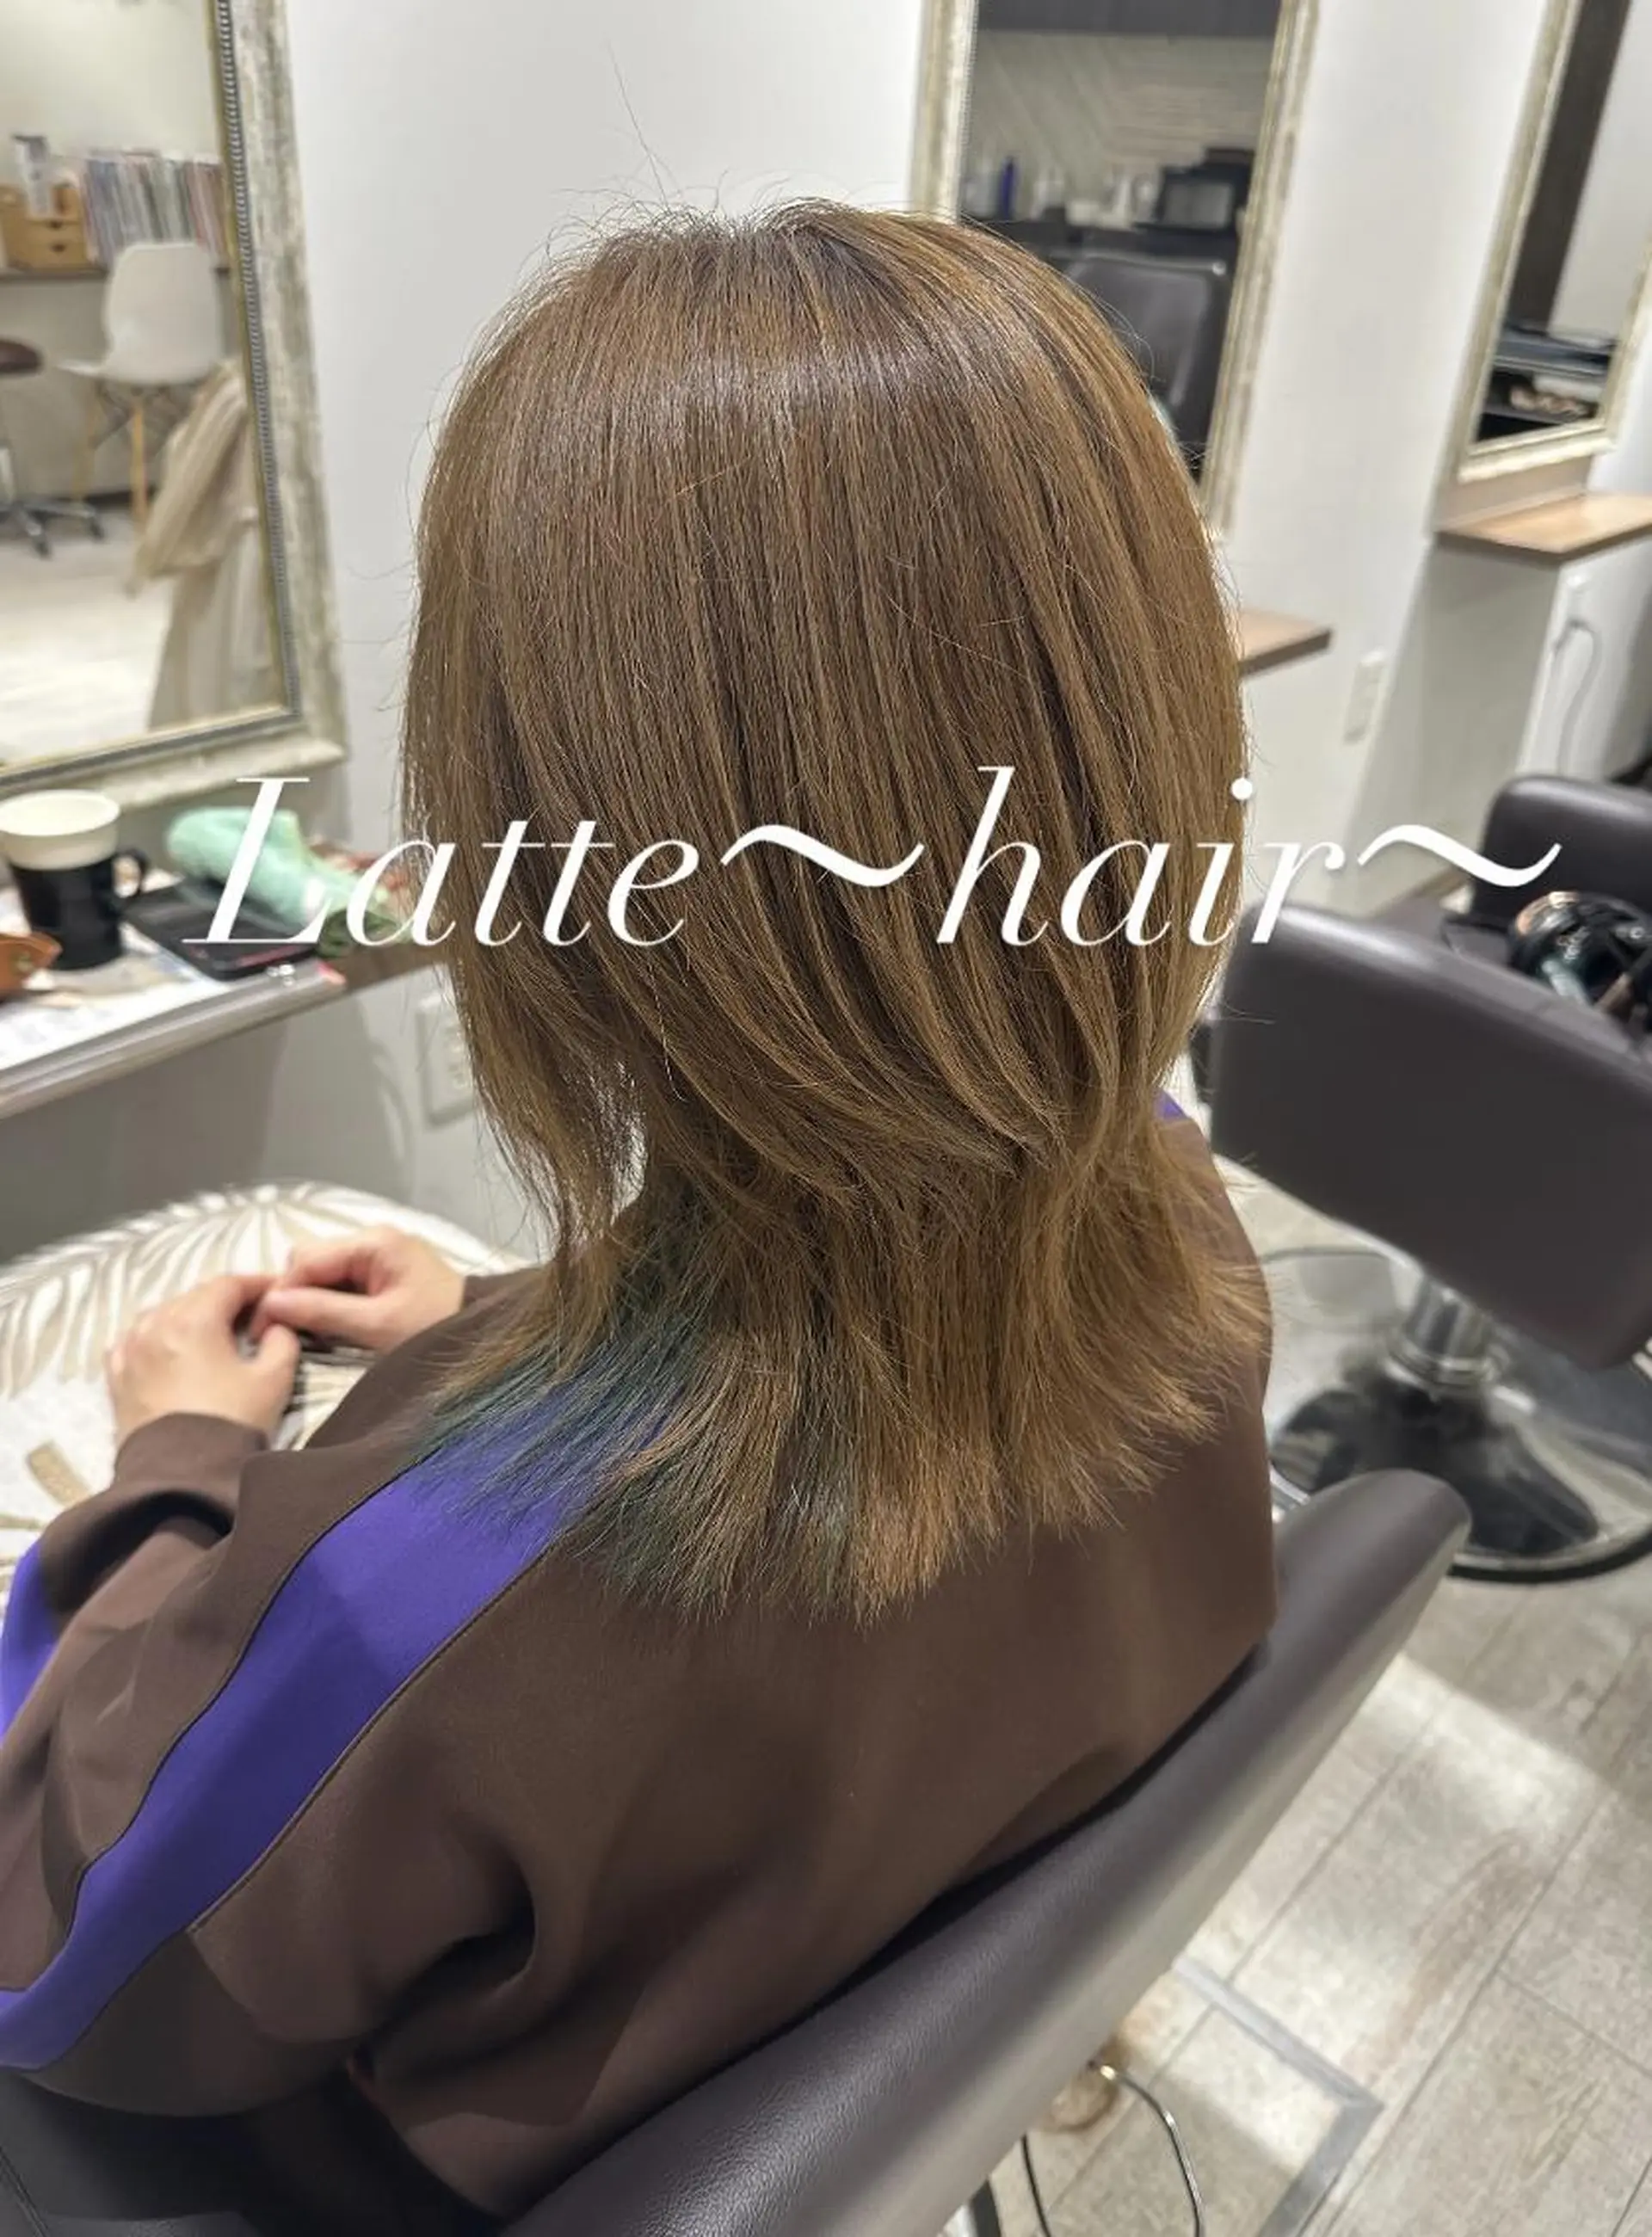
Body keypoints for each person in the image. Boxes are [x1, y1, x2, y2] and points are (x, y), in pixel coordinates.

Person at [0, 204, 1274, 2233]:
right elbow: (884, 1331)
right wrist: (525, 1321)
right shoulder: (1198, 1225)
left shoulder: (419, 1594)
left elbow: (66, 1964)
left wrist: (173, 1462)